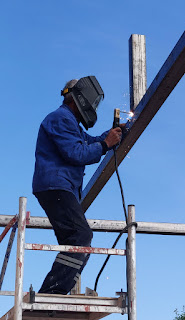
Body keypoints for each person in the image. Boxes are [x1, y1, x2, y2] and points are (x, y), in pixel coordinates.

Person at [32, 76, 122, 294]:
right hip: (56, 186)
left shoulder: (70, 123)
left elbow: (88, 142)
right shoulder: (60, 118)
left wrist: (111, 136)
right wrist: (105, 144)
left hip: (59, 187)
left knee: (73, 242)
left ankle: (53, 293)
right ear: (77, 98)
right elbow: (77, 153)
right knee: (81, 237)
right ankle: (51, 294)